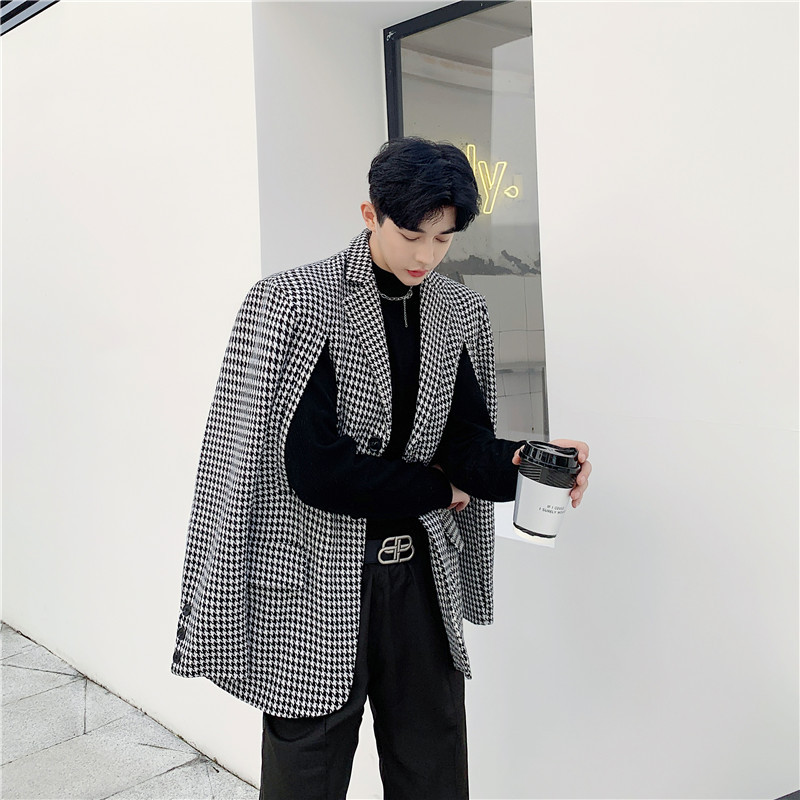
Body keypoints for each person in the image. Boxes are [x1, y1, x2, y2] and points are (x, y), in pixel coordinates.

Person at [171, 137, 591, 800]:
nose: (427, 256)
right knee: (306, 777)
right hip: (311, 580)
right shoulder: (296, 301)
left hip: (420, 582)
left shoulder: (458, 310)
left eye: (444, 239)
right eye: (411, 236)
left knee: (434, 774)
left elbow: (466, 444)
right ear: (371, 214)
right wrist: (438, 487)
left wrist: (529, 466)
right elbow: (318, 471)